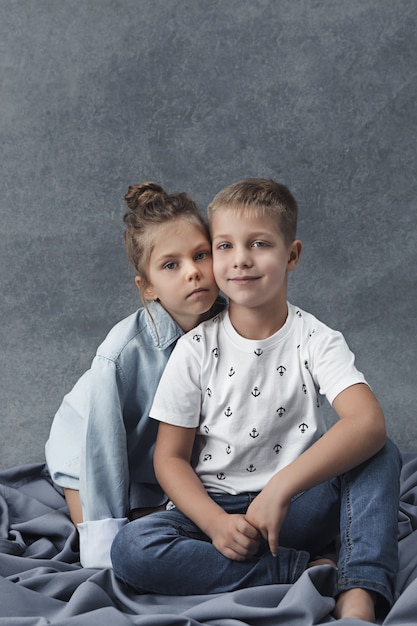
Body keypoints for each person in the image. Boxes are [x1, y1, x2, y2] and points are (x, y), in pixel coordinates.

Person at [111, 178, 401, 621]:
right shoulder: (196, 349)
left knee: (380, 453)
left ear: (292, 255)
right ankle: (297, 569)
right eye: (224, 246)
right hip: (217, 509)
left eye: (259, 244)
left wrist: (282, 488)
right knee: (132, 548)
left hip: (297, 504)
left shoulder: (315, 339)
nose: (241, 259)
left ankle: (359, 587)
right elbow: (169, 459)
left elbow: (367, 422)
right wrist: (214, 523)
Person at [45, 181, 222, 568]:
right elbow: (103, 447)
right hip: (87, 445)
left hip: (166, 462)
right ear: (148, 288)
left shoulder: (234, 325)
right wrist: (103, 531)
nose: (193, 272)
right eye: (171, 265)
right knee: (116, 544)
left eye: (201, 255)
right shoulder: (119, 356)